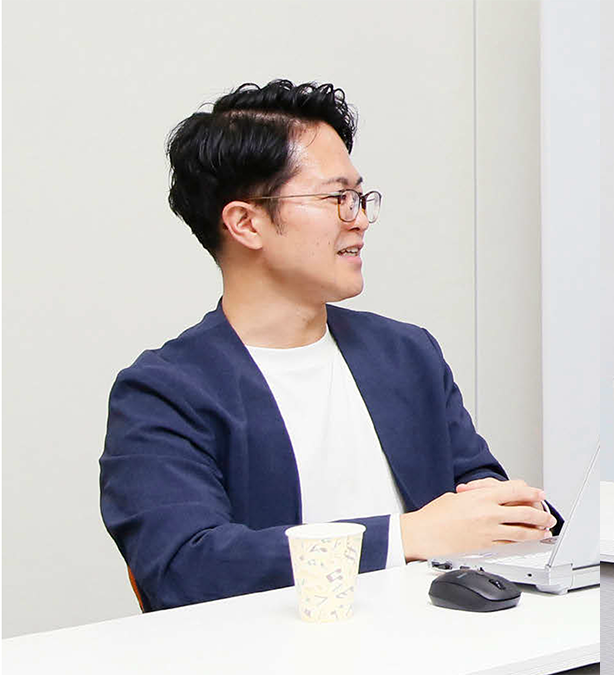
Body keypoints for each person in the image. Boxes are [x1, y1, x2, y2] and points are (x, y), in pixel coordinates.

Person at [100, 80, 559, 611]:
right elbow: (186, 566)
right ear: (246, 222)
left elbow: (475, 489)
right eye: (335, 198)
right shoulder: (163, 391)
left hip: (443, 639)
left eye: (358, 196)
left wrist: (512, 511)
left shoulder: (405, 353)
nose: (358, 218)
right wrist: (408, 536)